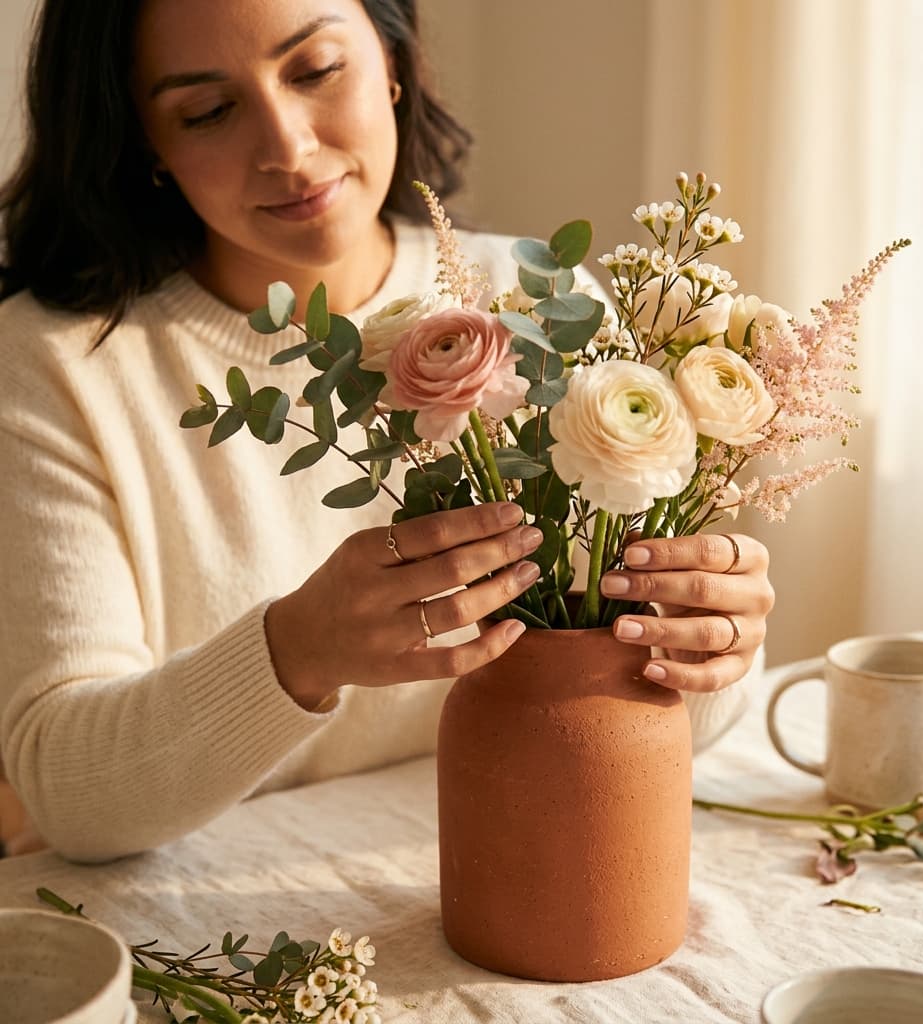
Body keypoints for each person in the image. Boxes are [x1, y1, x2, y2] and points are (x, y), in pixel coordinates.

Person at [0, 0, 774, 862]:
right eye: (209, 111)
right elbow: (65, 795)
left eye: (316, 70)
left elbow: (669, 717)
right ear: (144, 139)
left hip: (521, 873)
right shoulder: (54, 365)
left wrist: (708, 642)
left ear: (395, 60)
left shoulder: (541, 304)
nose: (288, 148)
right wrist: (297, 651)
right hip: (209, 915)